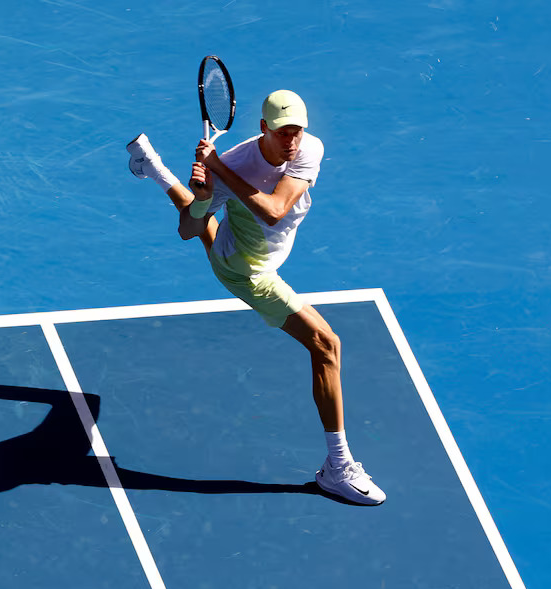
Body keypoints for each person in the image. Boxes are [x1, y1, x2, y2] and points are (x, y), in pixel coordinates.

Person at [126, 89, 385, 505]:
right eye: (283, 133)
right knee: (326, 345)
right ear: (264, 128)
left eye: (297, 131)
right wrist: (208, 195)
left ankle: (152, 167)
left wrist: (215, 177)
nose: (292, 141)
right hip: (250, 273)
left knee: (212, 232)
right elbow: (186, 231)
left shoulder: (306, 148)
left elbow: (274, 211)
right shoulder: (234, 164)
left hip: (243, 244)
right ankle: (337, 468)